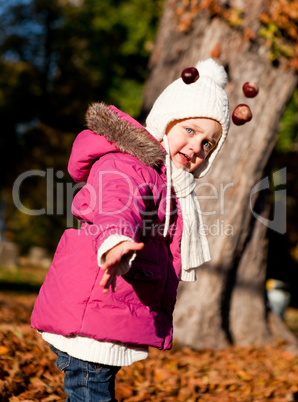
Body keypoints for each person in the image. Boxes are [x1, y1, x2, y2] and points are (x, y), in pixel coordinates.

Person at [31, 58, 230, 401]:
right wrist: (116, 241)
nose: (197, 147)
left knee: (90, 391)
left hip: (106, 309)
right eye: (190, 130)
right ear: (167, 121)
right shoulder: (129, 165)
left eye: (208, 143)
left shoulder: (168, 181)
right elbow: (118, 204)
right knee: (92, 392)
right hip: (94, 304)